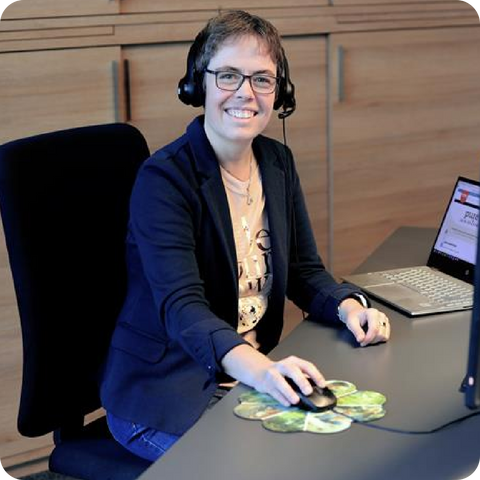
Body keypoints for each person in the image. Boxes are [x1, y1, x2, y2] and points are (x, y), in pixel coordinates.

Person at [100, 9, 390, 462]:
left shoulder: (277, 163)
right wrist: (262, 371)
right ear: (198, 85)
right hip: (164, 393)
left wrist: (349, 306)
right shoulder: (164, 179)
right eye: (229, 75)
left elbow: (303, 270)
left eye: (262, 79)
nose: (245, 92)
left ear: (280, 92)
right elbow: (182, 308)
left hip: (243, 378)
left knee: (343, 450)